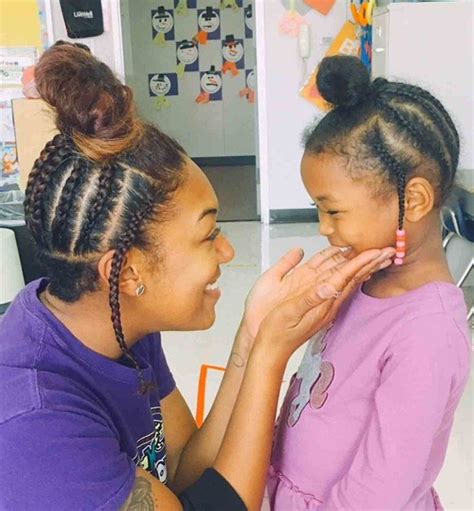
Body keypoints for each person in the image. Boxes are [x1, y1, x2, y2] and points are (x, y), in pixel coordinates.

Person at [0, 44, 395, 511]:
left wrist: (252, 335)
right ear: (126, 272)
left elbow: (185, 466)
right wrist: (270, 355)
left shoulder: (116, 322)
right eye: (209, 235)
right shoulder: (37, 423)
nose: (228, 251)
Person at [268, 56, 471, 510]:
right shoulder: (363, 280)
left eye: (333, 211)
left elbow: (380, 491)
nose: (323, 227)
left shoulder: (428, 332)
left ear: (413, 200)